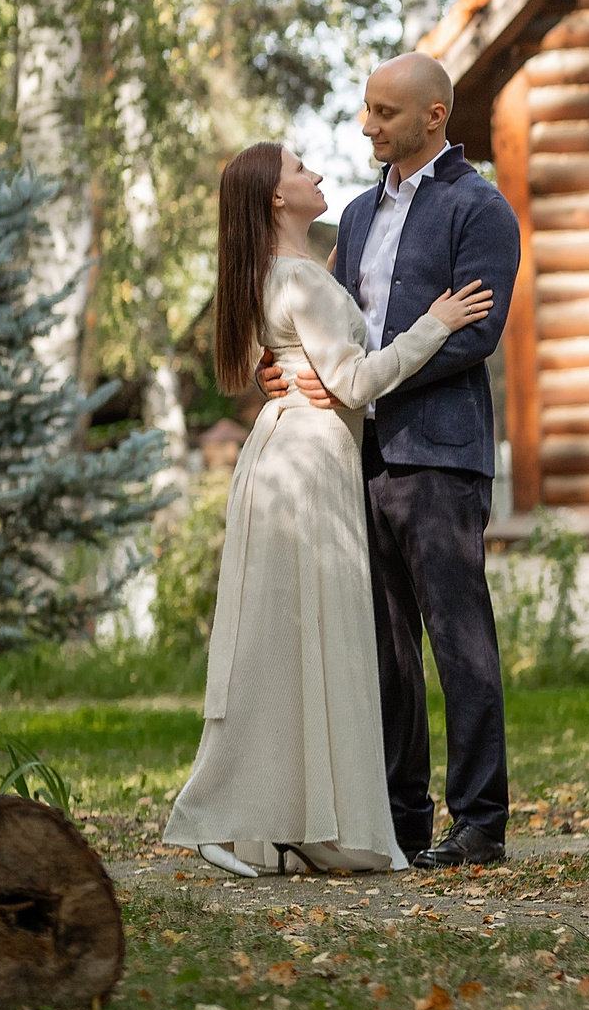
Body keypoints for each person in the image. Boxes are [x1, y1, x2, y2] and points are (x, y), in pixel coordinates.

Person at [166, 142, 492, 878]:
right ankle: (219, 813)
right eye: (298, 167)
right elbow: (353, 380)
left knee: (303, 645)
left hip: (296, 454)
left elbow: (314, 349)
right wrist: (435, 322)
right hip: (308, 462)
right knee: (290, 645)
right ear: (276, 198)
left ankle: (293, 821)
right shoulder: (299, 280)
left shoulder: (296, 271)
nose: (315, 172)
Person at [262, 52, 521, 869]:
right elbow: (332, 321)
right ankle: (402, 819)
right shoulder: (359, 215)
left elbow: (474, 330)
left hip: (439, 455)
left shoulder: (481, 209)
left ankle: (480, 822)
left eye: (382, 112)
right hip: (357, 455)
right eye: (366, 109)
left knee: (458, 639)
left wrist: (364, 377)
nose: (366, 125)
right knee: (384, 648)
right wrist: (295, 368)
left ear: (433, 118)